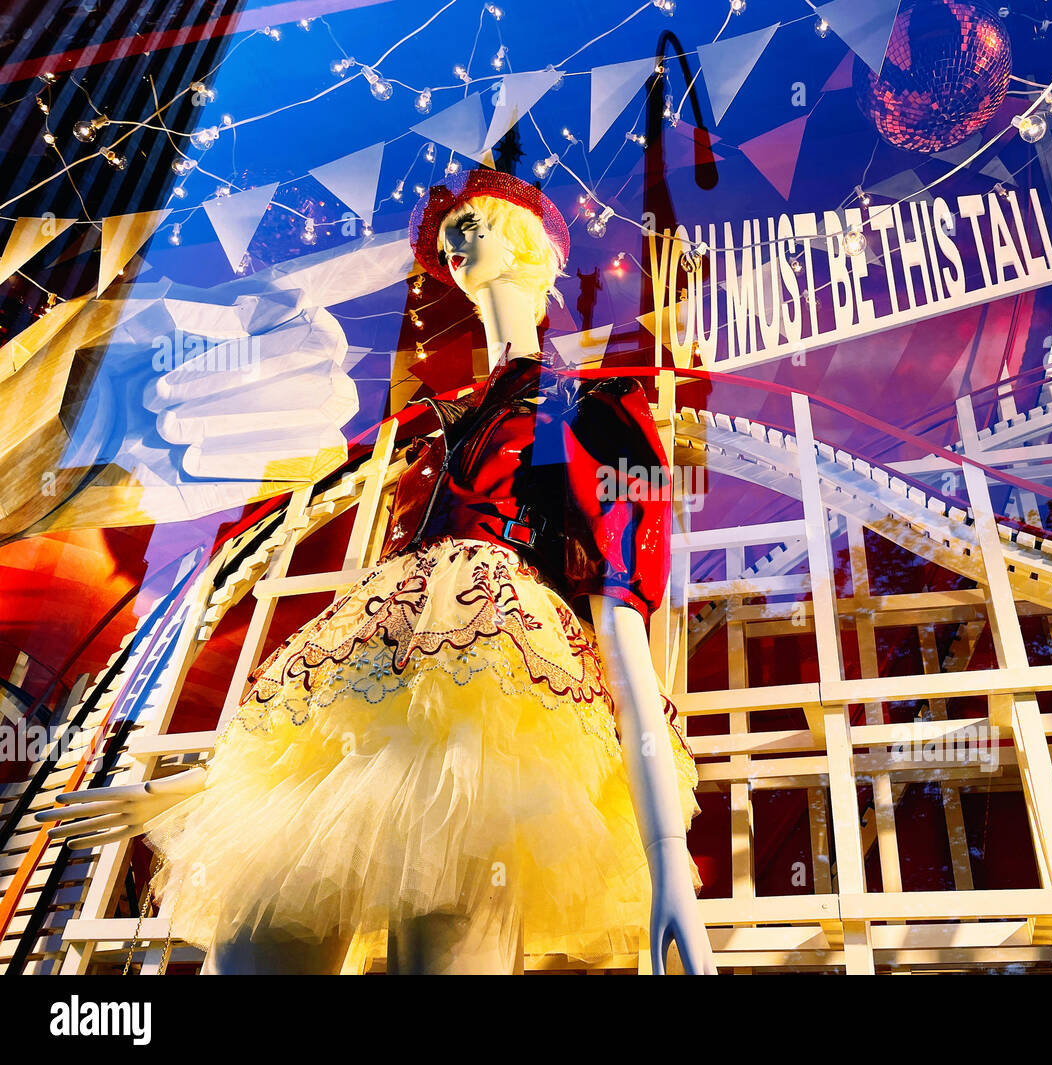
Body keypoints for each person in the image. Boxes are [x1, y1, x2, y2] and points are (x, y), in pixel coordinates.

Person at [39, 168, 713, 975]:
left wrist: (666, 852)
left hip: (496, 729)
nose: (456, 241)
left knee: (442, 942)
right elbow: (339, 706)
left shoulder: (596, 412)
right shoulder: (436, 432)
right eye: (449, 231)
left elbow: (620, 617)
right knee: (252, 946)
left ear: (532, 244)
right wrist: (210, 790)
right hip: (371, 712)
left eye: (476, 222)